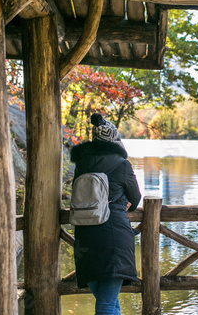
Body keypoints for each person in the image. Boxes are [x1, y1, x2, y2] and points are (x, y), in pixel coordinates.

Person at [70, 113, 141, 315]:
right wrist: (123, 203)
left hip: (85, 237)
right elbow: (135, 199)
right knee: (106, 304)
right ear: (115, 140)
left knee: (109, 302)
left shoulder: (81, 164)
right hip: (114, 236)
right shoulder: (122, 164)